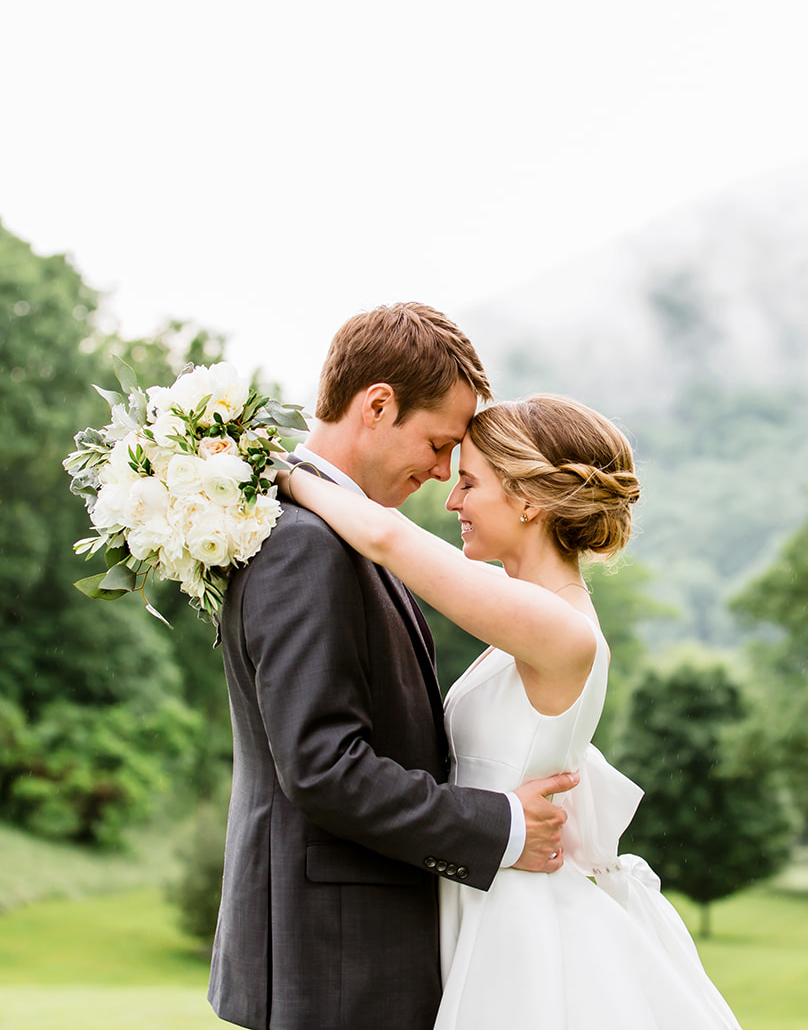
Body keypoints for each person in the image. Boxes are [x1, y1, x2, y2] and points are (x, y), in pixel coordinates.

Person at [278, 392, 743, 1029]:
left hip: (518, 922)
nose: (451, 500)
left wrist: (272, 469)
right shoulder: (528, 621)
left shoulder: (560, 629)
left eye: (468, 481)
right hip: (487, 890)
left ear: (528, 498)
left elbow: (384, 535)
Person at [210, 302, 579, 1030]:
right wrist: (500, 825)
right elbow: (323, 766)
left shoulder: (334, 531)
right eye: (439, 443)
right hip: (336, 955)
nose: (443, 472)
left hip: (355, 951)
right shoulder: (305, 544)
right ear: (378, 404)